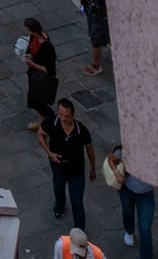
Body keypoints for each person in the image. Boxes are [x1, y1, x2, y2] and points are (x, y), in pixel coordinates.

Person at [39, 97, 97, 227]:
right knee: (58, 188)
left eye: (67, 116)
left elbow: (90, 150)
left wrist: (92, 169)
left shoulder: (81, 130)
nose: (63, 119)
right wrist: (49, 153)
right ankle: (59, 206)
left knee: (77, 201)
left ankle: (80, 230)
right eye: (61, 115)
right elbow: (40, 134)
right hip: (58, 166)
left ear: (73, 115)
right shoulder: (52, 122)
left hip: (76, 169)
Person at [105, 145, 158, 259]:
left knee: (145, 228)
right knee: (128, 212)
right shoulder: (126, 149)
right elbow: (111, 159)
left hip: (146, 195)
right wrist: (116, 172)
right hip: (127, 190)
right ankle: (129, 230)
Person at [24, 16, 59, 131]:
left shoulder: (47, 47)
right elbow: (30, 48)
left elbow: (48, 70)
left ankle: (52, 120)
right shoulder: (34, 37)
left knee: (38, 102)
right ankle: (40, 125)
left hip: (42, 79)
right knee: (37, 101)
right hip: (34, 76)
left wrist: (32, 64)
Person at [78, 0, 109, 75]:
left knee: (96, 40)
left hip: (101, 17)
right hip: (90, 13)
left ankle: (95, 65)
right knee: (93, 34)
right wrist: (83, 4)